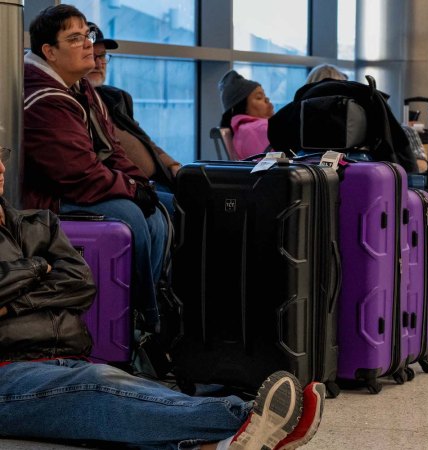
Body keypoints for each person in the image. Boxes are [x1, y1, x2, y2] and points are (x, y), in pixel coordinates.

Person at [0, 145, 325, 448]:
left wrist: (12, 300)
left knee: (136, 390)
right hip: (8, 370)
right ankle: (248, 418)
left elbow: (80, 282)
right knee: (96, 384)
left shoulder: (39, 224)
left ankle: (226, 443)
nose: (0, 167)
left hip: (61, 356)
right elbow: (62, 284)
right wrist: (38, 268)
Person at [23, 4, 167, 330]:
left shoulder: (80, 87)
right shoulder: (43, 98)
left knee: (162, 208)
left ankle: (148, 307)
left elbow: (111, 148)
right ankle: (142, 318)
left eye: (85, 34)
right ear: (50, 52)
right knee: (132, 216)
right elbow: (77, 175)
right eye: (75, 39)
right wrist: (131, 189)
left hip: (81, 184)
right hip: (47, 199)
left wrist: (138, 183)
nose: (89, 43)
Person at [85, 22, 181, 200]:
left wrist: (172, 164)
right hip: (126, 188)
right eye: (92, 56)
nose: (99, 64)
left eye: (103, 56)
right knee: (178, 206)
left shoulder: (115, 98)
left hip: (155, 179)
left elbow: (144, 140)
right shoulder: (75, 103)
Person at [218, 70, 274, 160]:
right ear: (243, 106)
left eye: (265, 96)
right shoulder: (257, 128)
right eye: (259, 97)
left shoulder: (241, 130)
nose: (267, 101)